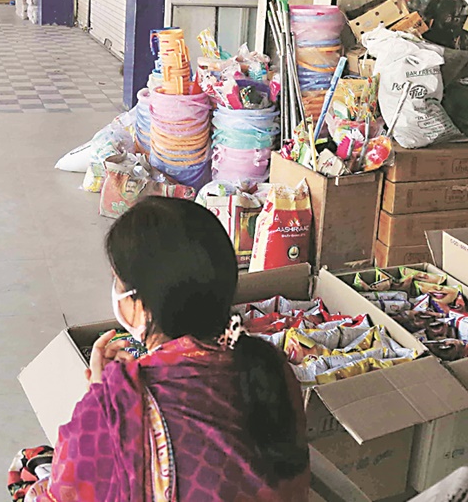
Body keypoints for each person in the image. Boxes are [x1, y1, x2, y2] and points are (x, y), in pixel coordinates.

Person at [18, 197, 310, 501]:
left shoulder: (112, 407)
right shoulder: (268, 364)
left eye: (118, 282)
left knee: (29, 471)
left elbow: (63, 493)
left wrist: (101, 395)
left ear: (141, 301)